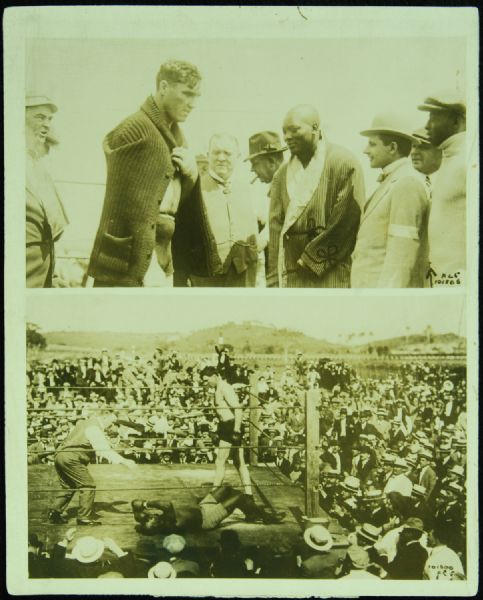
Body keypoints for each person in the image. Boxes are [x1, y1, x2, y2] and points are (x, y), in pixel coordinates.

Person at [87, 59, 217, 287]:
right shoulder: (135, 128)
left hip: (164, 255)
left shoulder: (177, 136)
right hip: (136, 261)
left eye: (197, 97)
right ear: (164, 87)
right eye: (187, 94)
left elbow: (174, 202)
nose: (192, 104)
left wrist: (191, 175)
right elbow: (125, 208)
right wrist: (144, 266)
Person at [267, 104, 364, 288]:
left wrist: (311, 260)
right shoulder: (281, 175)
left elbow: (347, 221)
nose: (287, 137)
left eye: (294, 129)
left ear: (315, 128)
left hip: (330, 272)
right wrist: (273, 277)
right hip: (291, 275)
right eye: (284, 131)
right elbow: (275, 227)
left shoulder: (344, 163)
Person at [351, 113, 429, 288]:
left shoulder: (407, 183)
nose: (365, 150)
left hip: (384, 297)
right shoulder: (394, 179)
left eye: (372, 144)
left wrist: (388, 301)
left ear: (392, 147)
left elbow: (402, 251)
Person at [200, 366, 284, 523]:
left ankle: (213, 496)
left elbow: (238, 409)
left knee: (220, 461)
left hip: (232, 426)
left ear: (215, 375)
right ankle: (248, 494)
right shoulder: (218, 388)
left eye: (207, 380)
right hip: (226, 426)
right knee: (239, 462)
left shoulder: (225, 388)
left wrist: (237, 430)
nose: (206, 383)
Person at [189, 133, 259, 287]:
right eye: (216, 152)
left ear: (237, 156)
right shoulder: (194, 188)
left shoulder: (249, 190)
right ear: (208, 155)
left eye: (227, 153)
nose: (221, 158)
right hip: (205, 276)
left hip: (243, 274)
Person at [48, 412, 137, 525]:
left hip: (60, 455)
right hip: (72, 457)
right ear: (107, 420)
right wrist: (125, 461)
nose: (111, 427)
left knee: (68, 485)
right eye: (112, 423)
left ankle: (54, 512)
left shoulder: (85, 423)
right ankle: (84, 517)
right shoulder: (94, 428)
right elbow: (103, 450)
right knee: (88, 485)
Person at [417, 91, 466, 286]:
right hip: (442, 281)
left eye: (434, 118)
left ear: (455, 122)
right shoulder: (451, 160)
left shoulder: (467, 162)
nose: (427, 126)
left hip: (460, 284)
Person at [25, 95, 69, 287]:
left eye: (49, 119)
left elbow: (51, 228)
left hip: (43, 271)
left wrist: (54, 277)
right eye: (40, 117)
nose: (46, 125)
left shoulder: (36, 165)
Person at [131, 484, 280, 534]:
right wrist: (145, 503)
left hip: (203, 506)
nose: (152, 516)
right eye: (152, 519)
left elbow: (137, 513)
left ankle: (250, 514)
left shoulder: (159, 522)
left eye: (150, 517)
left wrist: (138, 510)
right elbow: (167, 504)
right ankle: (266, 517)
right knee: (239, 497)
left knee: (227, 488)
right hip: (208, 519)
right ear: (158, 525)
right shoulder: (170, 524)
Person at [245, 130, 287, 283]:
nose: (252, 170)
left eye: (255, 164)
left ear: (271, 162)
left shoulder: (289, 185)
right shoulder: (278, 184)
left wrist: (256, 246)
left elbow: (277, 224)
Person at [410, 127, 443, 195]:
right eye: (413, 146)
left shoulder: (452, 180)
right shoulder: (410, 182)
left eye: (422, 147)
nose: (414, 152)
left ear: (440, 151)